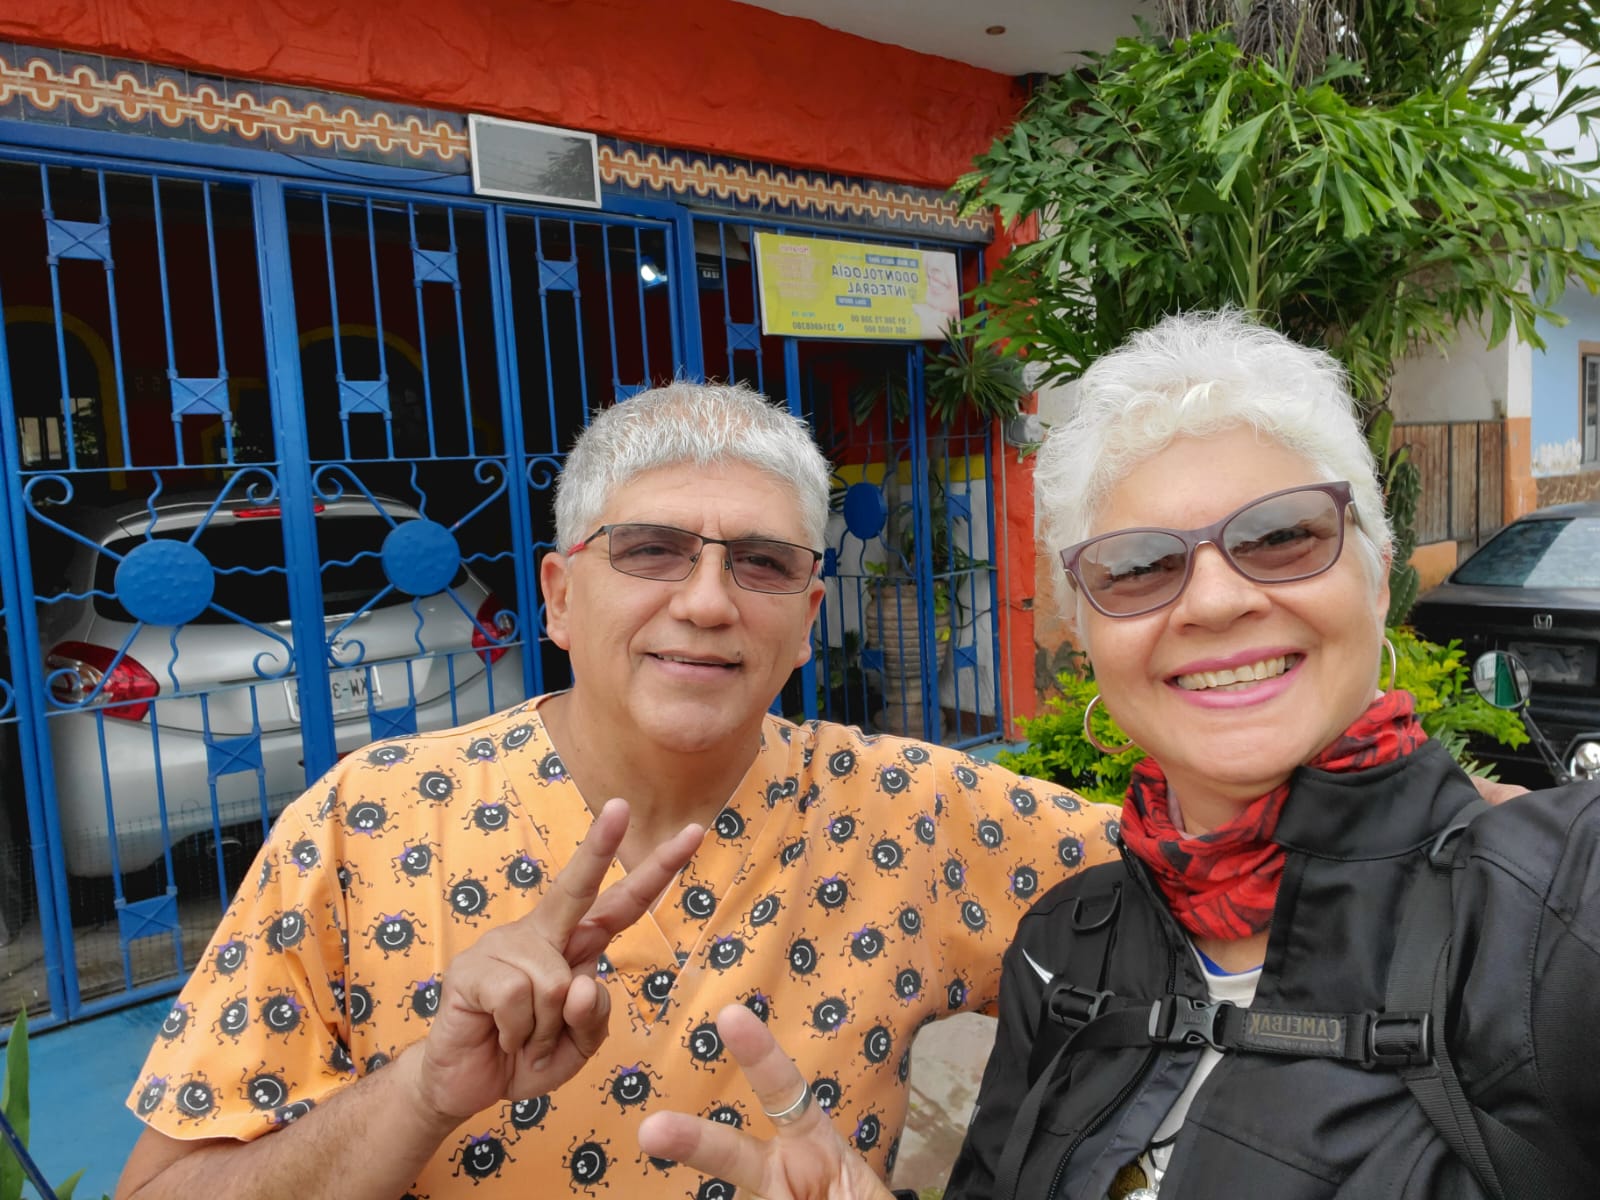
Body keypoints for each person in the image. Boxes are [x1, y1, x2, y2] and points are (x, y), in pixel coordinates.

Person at [636, 312, 1600, 1199]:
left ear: (1378, 578)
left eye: (1282, 537)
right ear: (1089, 638)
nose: (1214, 600)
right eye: (1139, 566)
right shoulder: (1068, 947)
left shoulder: (1555, 909)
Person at [113, 381, 1121, 1200]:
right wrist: (419, 1093)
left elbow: (1196, 883)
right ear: (559, 596)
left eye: (762, 564)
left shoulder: (915, 810)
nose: (707, 602)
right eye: (650, 551)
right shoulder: (366, 827)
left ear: (808, 620)